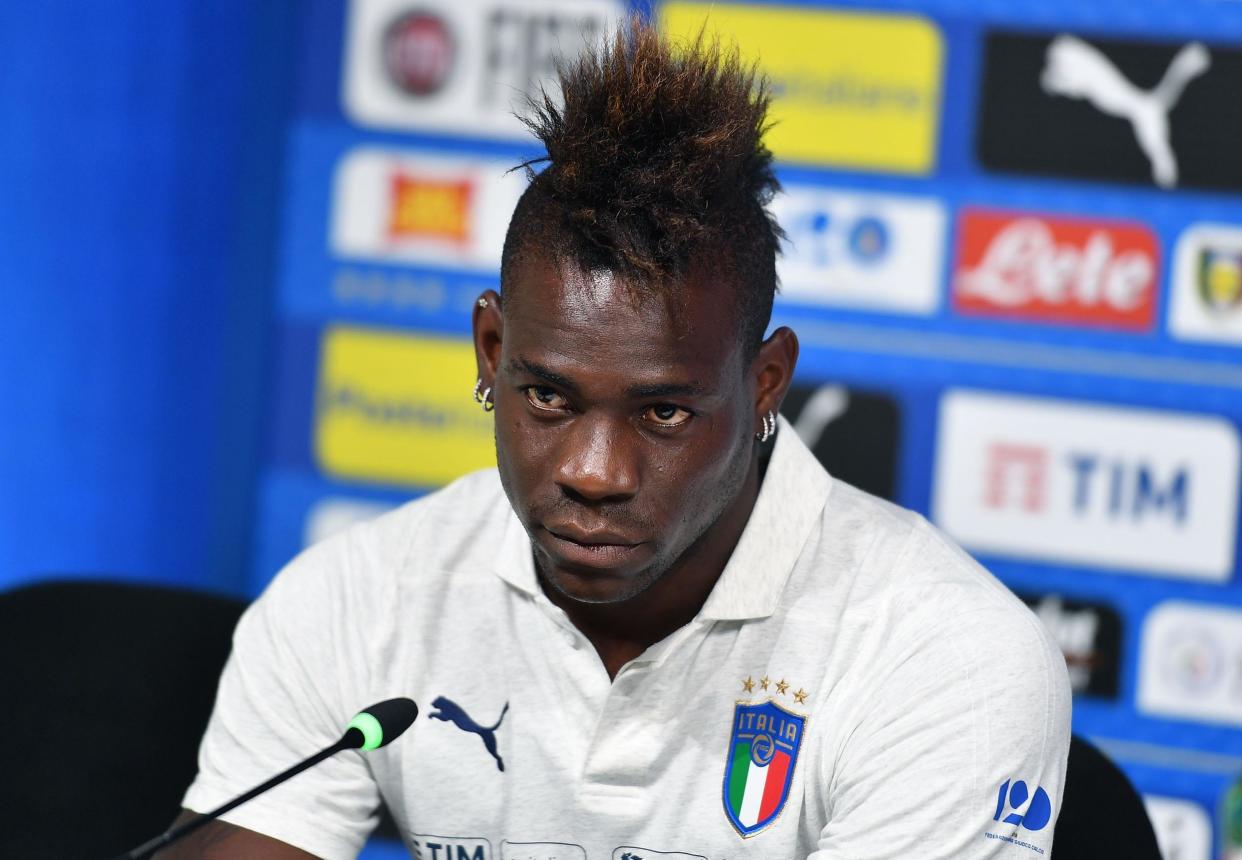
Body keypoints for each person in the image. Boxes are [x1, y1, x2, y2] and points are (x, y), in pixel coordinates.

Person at [163, 20, 1071, 860]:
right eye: (550, 396)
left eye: (663, 412)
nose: (593, 474)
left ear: (765, 384)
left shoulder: (947, 656)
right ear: (491, 351)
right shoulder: (356, 598)